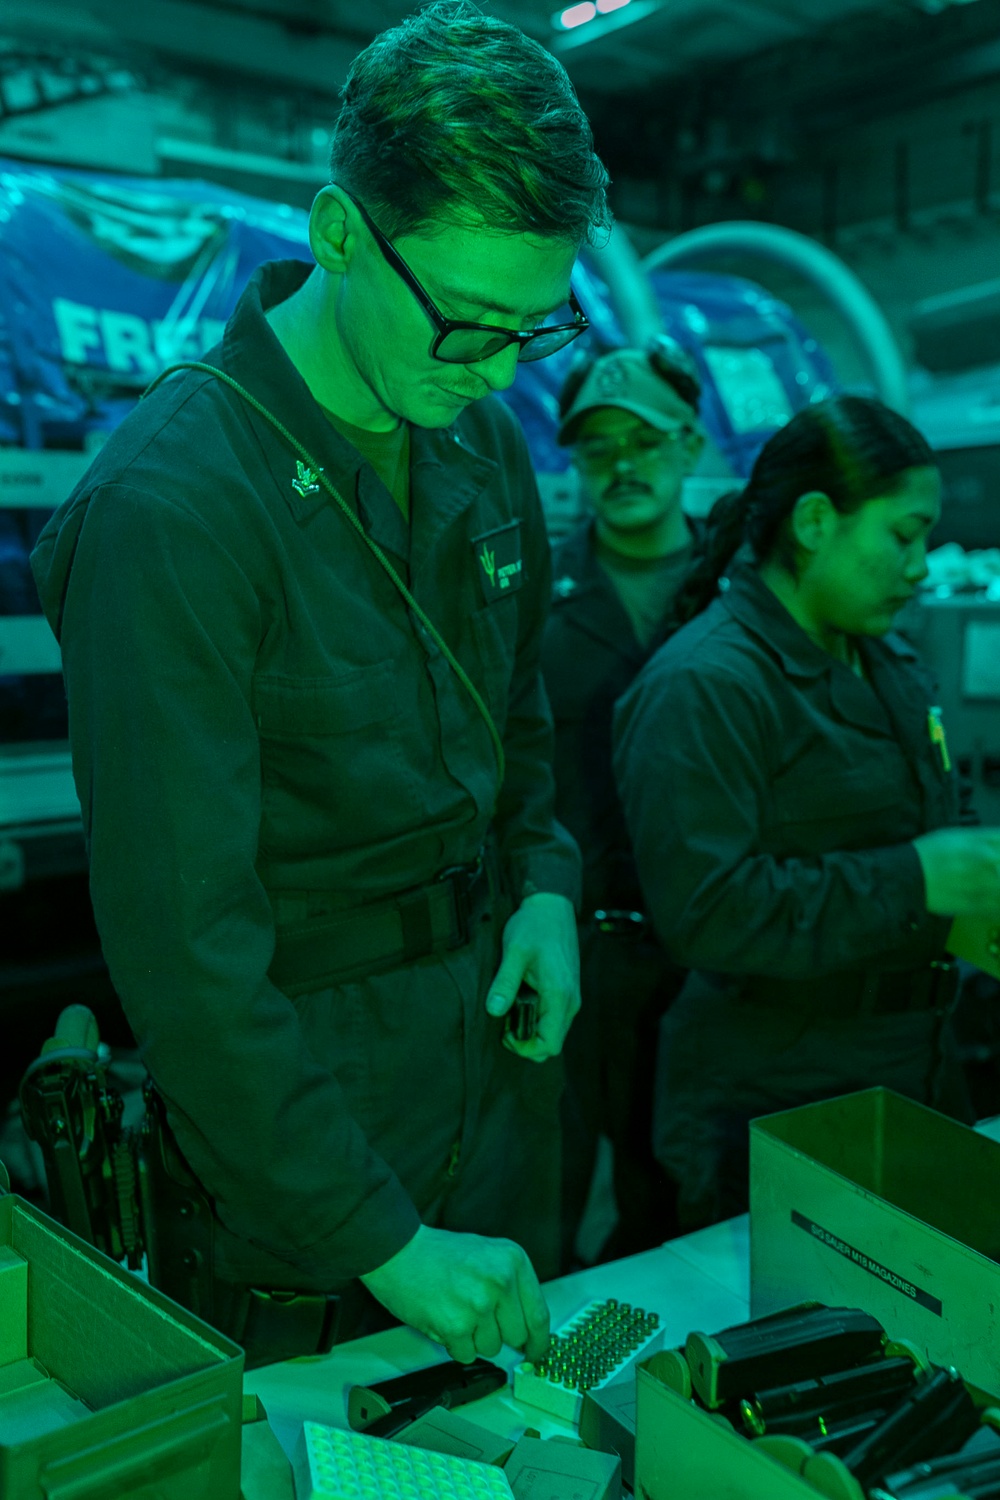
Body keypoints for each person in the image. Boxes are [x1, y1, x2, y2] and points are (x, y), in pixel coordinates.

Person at [30, 0, 609, 1366]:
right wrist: (380, 1240)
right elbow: (189, 952)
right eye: (467, 323)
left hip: (492, 1060)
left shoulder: (482, 443)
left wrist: (545, 884)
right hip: (303, 1133)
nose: (492, 373)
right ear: (339, 234)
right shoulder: (174, 509)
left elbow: (519, 724)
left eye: (533, 329)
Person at [613, 394, 1000, 1232]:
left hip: (913, 1068)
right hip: (778, 1095)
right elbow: (708, 913)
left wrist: (967, 915)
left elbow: (927, 817)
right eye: (904, 534)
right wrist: (917, 881)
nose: (923, 566)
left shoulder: (889, 662)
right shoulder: (705, 686)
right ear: (817, 521)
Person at [541, 340, 706, 1263]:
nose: (622, 467)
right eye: (597, 449)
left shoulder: (743, 598)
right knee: (543, 1201)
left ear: (689, 444)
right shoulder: (533, 601)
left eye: (643, 441)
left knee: (681, 1207)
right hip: (571, 953)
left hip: (703, 954)